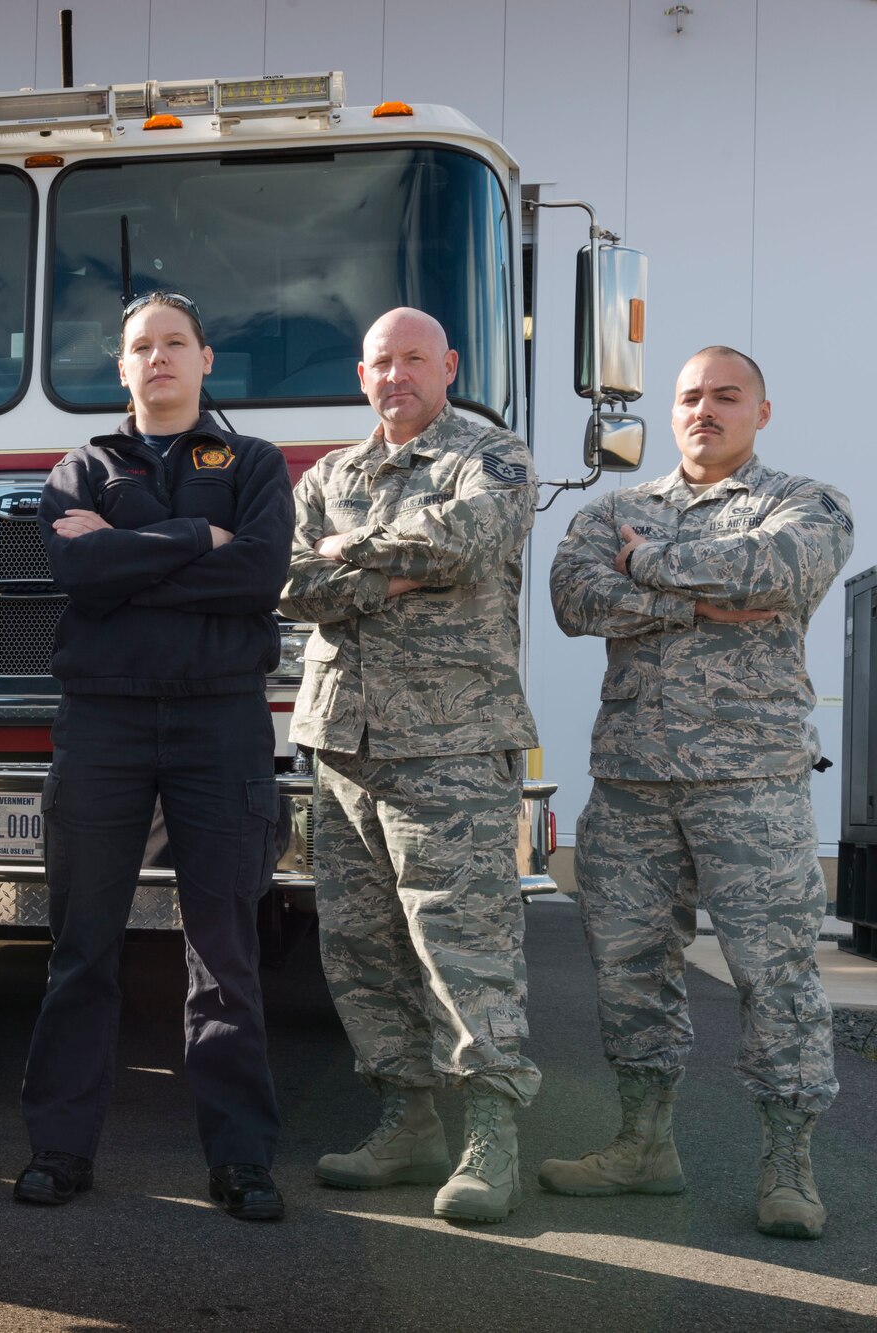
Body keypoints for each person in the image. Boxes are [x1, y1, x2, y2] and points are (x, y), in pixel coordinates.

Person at [545, 346, 853, 1240]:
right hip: (634, 780)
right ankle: (644, 1143)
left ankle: (789, 1161)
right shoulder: (618, 509)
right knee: (629, 968)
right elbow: (571, 594)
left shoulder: (807, 500)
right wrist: (696, 596)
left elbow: (778, 572)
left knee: (776, 973)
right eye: (689, 397)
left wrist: (645, 569)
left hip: (750, 779)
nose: (704, 410)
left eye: (726, 396)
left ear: (762, 410)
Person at [14, 292, 292, 1220]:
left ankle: (242, 1159)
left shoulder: (254, 464)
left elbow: (257, 574)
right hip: (104, 723)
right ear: (121, 366)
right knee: (81, 945)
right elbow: (76, 575)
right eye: (143, 345)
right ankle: (58, 1147)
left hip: (222, 722)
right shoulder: (78, 467)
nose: (160, 357)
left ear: (206, 358)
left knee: (225, 951)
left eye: (177, 341)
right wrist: (192, 540)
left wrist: (129, 552)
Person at [281, 306, 541, 1225]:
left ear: (449, 366)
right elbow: (288, 582)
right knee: (360, 947)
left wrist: (351, 555)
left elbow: (466, 540)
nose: (397, 375)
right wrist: (390, 572)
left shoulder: (492, 455)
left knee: (463, 946)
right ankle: (406, 1120)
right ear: (362, 375)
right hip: (343, 743)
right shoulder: (331, 473)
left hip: (453, 740)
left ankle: (490, 1137)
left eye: (415, 360)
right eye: (381, 361)